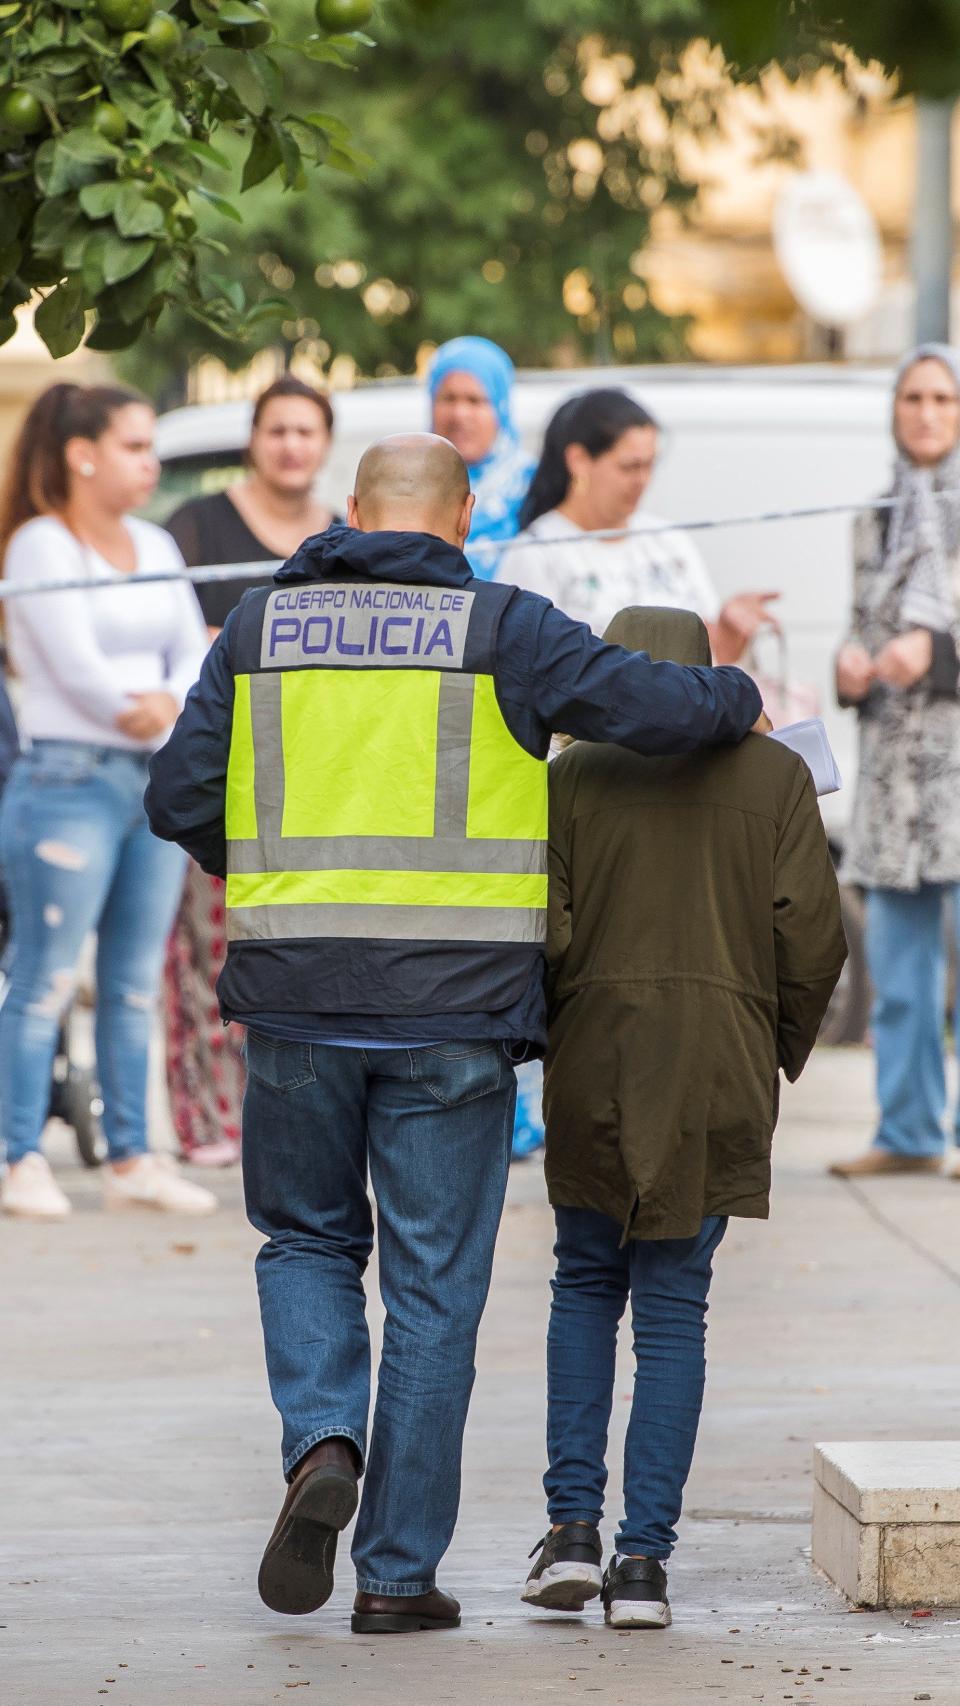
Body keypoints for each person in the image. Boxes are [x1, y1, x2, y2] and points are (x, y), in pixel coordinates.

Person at [145, 433, 764, 1633]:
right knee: (432, 1294)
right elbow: (655, 705)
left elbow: (176, 796)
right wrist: (736, 689)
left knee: (305, 1241)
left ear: (349, 508)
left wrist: (271, 875)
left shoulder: (260, 628)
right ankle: (394, 1577)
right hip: (451, 1016)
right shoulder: (502, 627)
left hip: (292, 1003)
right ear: (465, 515)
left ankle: (324, 1435)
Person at [521, 605, 845, 1629]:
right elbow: (816, 942)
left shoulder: (568, 778)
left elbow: (545, 931)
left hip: (598, 1058)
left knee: (583, 1283)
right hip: (719, 1065)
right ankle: (644, 1566)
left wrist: (558, 1029)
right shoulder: (779, 779)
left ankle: (571, 1531)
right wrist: (772, 1048)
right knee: (673, 1308)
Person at [0, 382, 215, 1221]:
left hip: (149, 779)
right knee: (45, 978)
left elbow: (193, 647)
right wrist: (151, 700)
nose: (150, 463)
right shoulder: (40, 547)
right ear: (82, 454)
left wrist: (164, 701)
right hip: (69, 780)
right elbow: (74, 663)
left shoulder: (157, 542)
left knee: (131, 982)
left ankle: (132, 1157)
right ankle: (20, 1157)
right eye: (134, 446)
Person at [163, 376, 337, 1167]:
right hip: (225, 773)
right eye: (278, 430)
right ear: (254, 438)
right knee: (206, 955)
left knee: (292, 957)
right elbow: (183, 640)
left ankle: (285, 1117)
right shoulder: (197, 524)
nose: (291, 445)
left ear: (326, 444)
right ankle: (207, 1121)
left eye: (306, 431)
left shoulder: (340, 536)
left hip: (320, 785)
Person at [833, 343, 960, 1179]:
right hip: (891, 770)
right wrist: (848, 661)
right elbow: (863, 621)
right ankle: (909, 1133)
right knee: (902, 972)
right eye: (912, 397)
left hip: (956, 770)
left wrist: (939, 652)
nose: (926, 413)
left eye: (943, 399)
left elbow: (933, 640)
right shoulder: (875, 514)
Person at [498, 387, 779, 662]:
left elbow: (710, 668)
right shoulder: (536, 552)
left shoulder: (667, 540)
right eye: (629, 467)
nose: (642, 480)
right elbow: (530, 671)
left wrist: (728, 632)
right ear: (579, 460)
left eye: (650, 465)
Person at [428, 335, 535, 578]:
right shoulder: (406, 480)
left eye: (475, 400)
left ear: (501, 406)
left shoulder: (534, 485)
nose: (459, 414)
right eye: (448, 398)